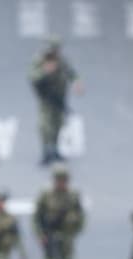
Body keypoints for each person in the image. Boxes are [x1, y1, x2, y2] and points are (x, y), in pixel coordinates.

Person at [32, 164, 85, 259]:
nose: (61, 183)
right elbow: (36, 217)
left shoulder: (73, 195)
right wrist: (40, 234)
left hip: (66, 237)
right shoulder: (46, 195)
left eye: (64, 180)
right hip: (50, 237)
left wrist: (74, 232)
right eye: (58, 179)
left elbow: (80, 216)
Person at [29, 37, 82, 165]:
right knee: (45, 125)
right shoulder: (40, 61)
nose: (54, 52)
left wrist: (76, 82)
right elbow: (33, 77)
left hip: (59, 97)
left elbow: (71, 72)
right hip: (46, 98)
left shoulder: (61, 60)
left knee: (58, 124)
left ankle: (55, 149)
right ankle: (46, 151)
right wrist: (45, 71)